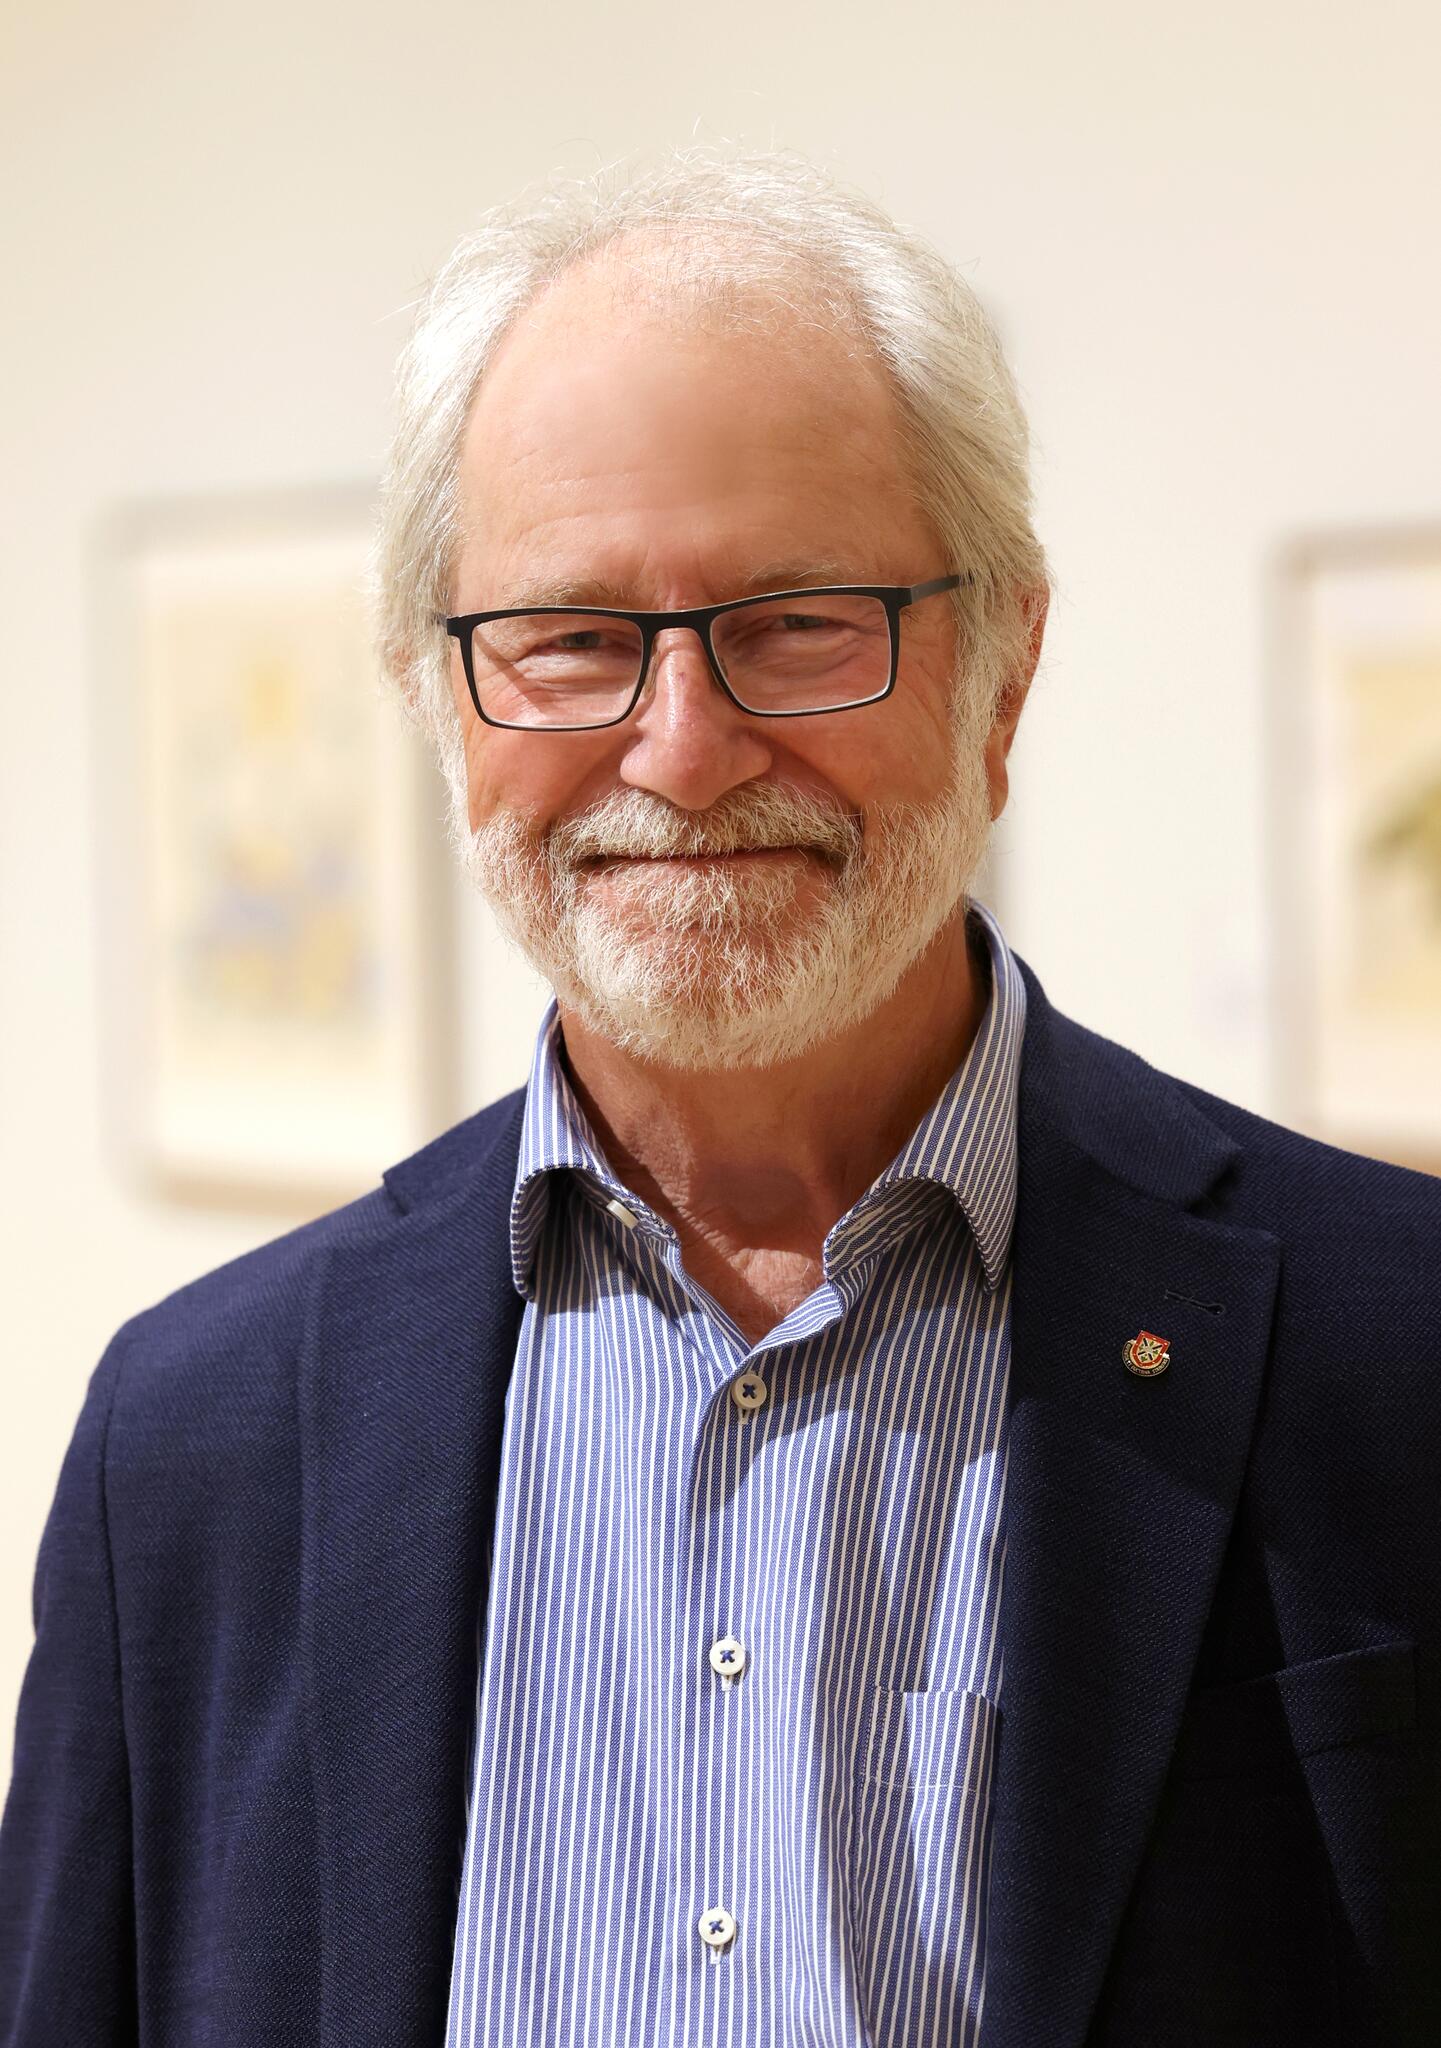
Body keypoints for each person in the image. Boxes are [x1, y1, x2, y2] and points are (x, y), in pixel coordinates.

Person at [1, 150, 1437, 2048]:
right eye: (575, 637)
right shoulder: (193, 1444)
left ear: (1001, 673)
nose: (682, 753)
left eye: (799, 621)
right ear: (441, 703)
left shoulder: (1399, 1347)